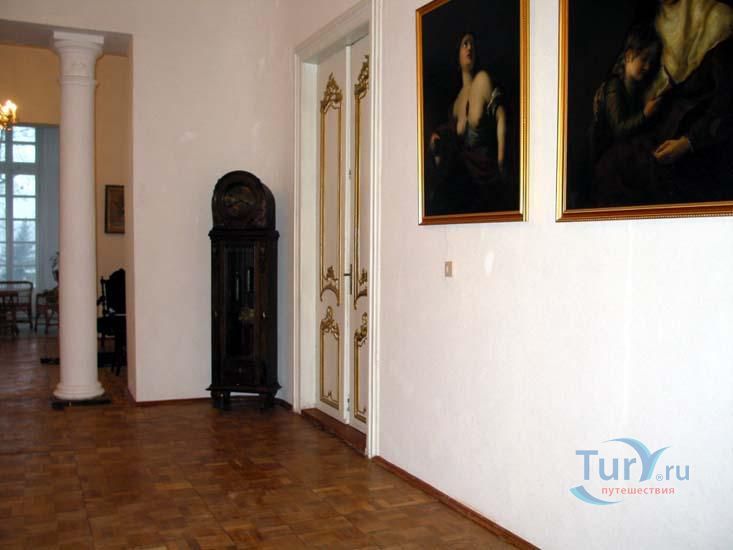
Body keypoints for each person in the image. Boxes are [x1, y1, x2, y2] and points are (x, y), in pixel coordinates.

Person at [593, 0, 733, 206]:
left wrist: (687, 142)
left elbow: (725, 104)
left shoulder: (718, 18)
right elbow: (629, 58)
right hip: (651, 129)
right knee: (608, 168)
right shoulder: (651, 17)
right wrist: (611, 89)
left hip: (695, 141)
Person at [426, 32, 513, 214]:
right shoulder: (456, 103)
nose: (469, 48)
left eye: (472, 44)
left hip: (486, 182)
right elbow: (447, 145)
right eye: (465, 44)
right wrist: (436, 142)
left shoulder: (482, 80)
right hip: (465, 186)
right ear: (457, 54)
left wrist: (500, 162)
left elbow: (501, 117)